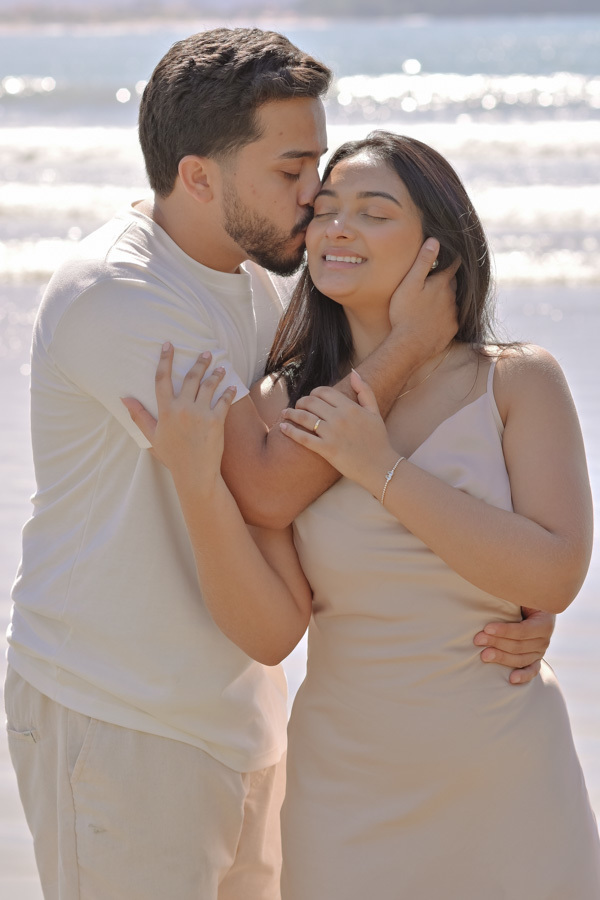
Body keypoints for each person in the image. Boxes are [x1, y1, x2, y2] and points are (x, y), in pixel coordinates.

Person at [5, 27, 551, 899]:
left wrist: (505, 600)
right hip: (119, 716)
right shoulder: (121, 294)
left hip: (240, 716)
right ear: (198, 177)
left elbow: (327, 501)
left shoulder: (261, 287)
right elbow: (266, 479)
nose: (316, 199)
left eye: (318, 168)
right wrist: (412, 341)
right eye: (290, 172)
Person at [129, 131, 600, 899]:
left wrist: (377, 468)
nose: (337, 228)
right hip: (345, 790)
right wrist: (197, 485)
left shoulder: (518, 383)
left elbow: (554, 571)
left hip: (508, 780)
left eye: (374, 212)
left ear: (438, 251)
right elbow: (272, 628)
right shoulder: (278, 406)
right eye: (326, 210)